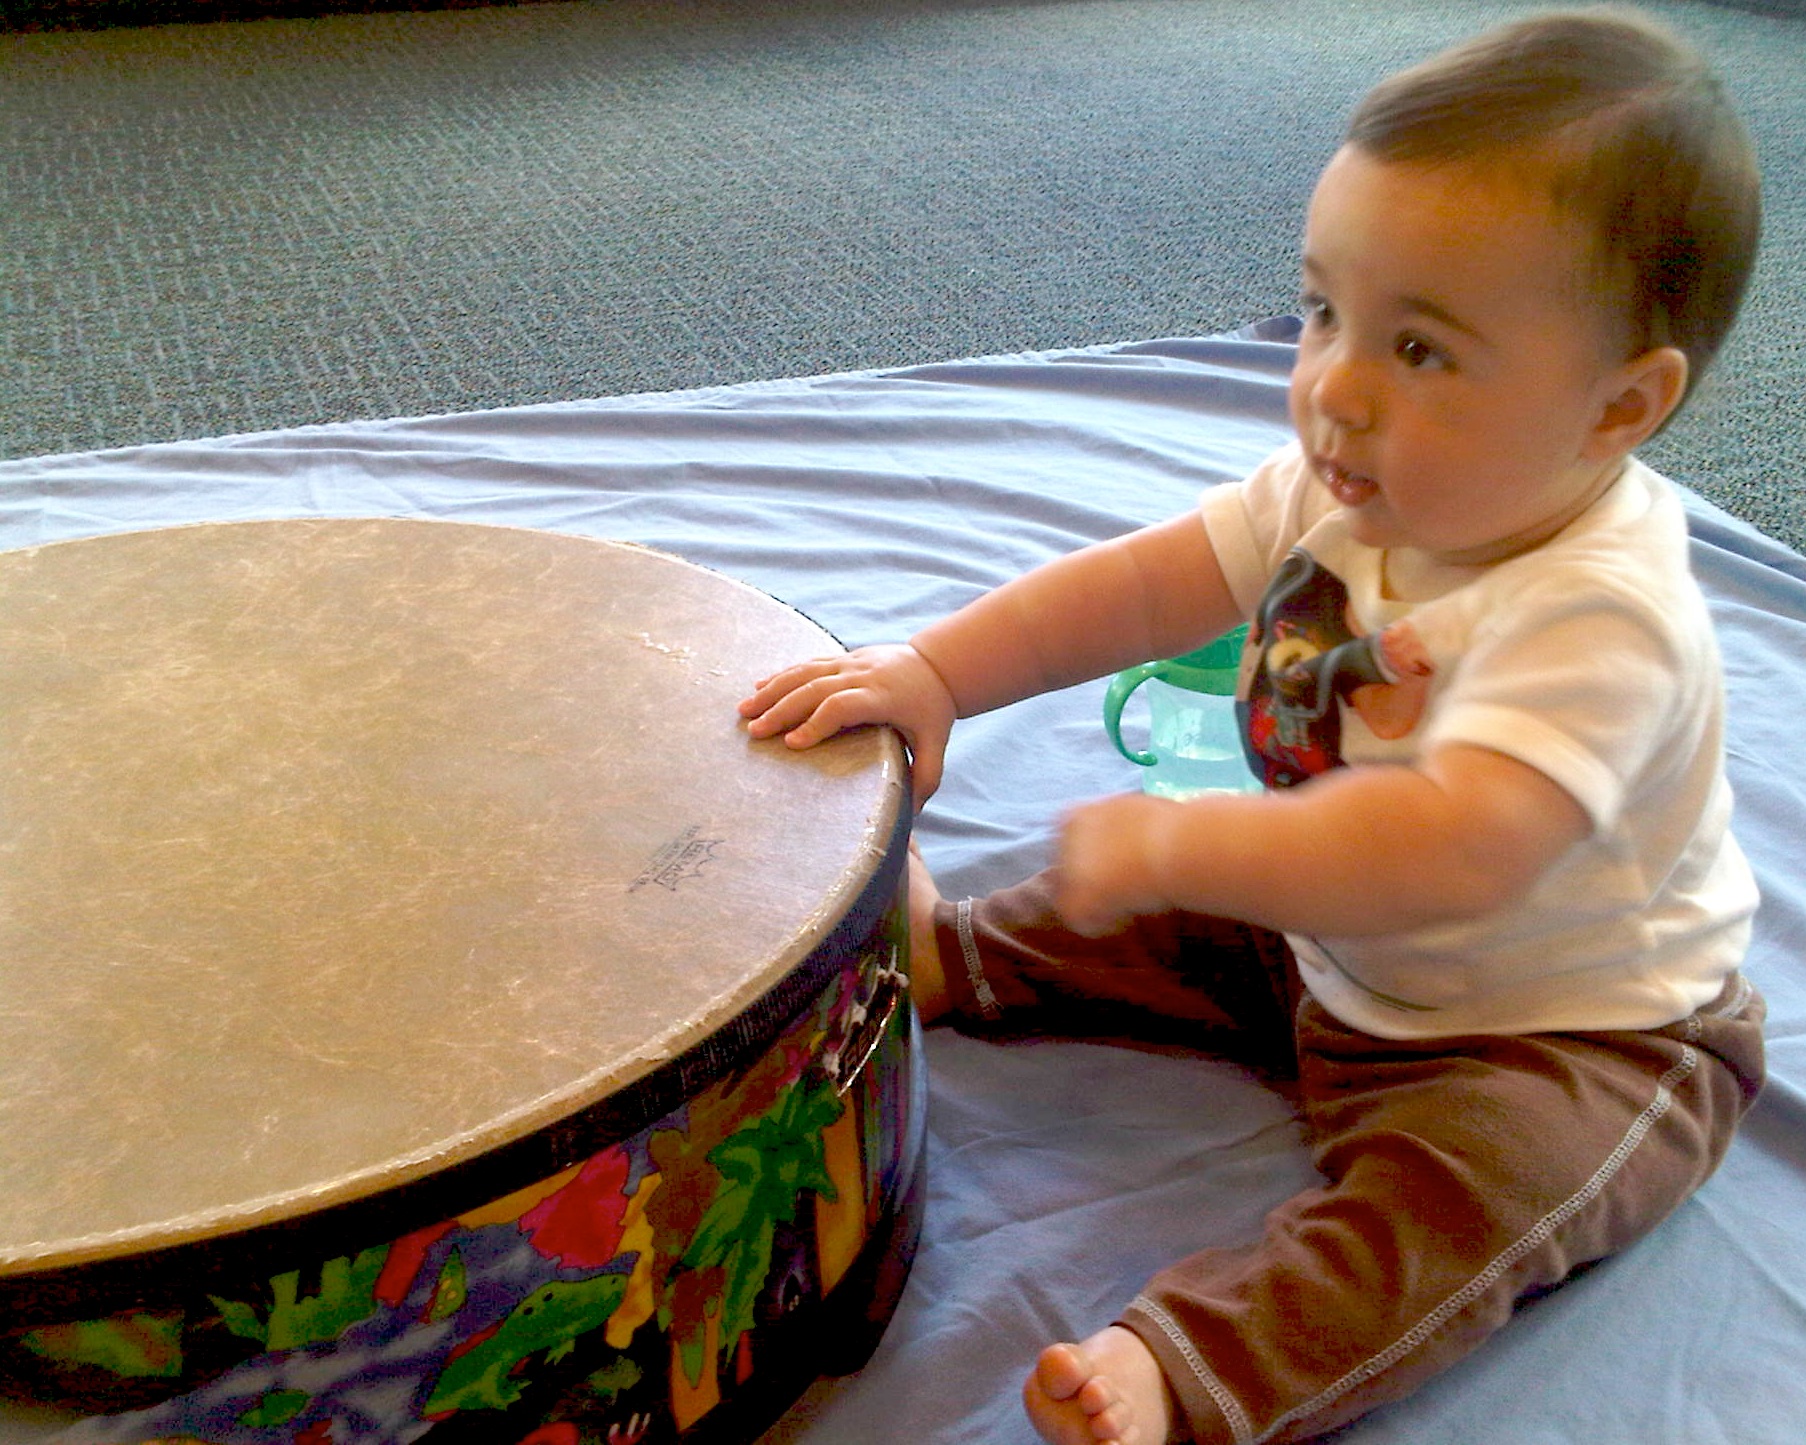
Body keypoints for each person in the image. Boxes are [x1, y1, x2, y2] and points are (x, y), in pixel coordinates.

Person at [739, 9, 1767, 1443]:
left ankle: (1192, 1365)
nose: (1334, 385)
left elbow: (1452, 846)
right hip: (1320, 944)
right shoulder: (1342, 481)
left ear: (1619, 405)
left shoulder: (1599, 618)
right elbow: (1143, 582)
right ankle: (958, 953)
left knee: (1452, 1212)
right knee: (1165, 929)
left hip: (1558, 1035)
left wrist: (1188, 844)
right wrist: (937, 673)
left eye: (1419, 345)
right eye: (1323, 310)